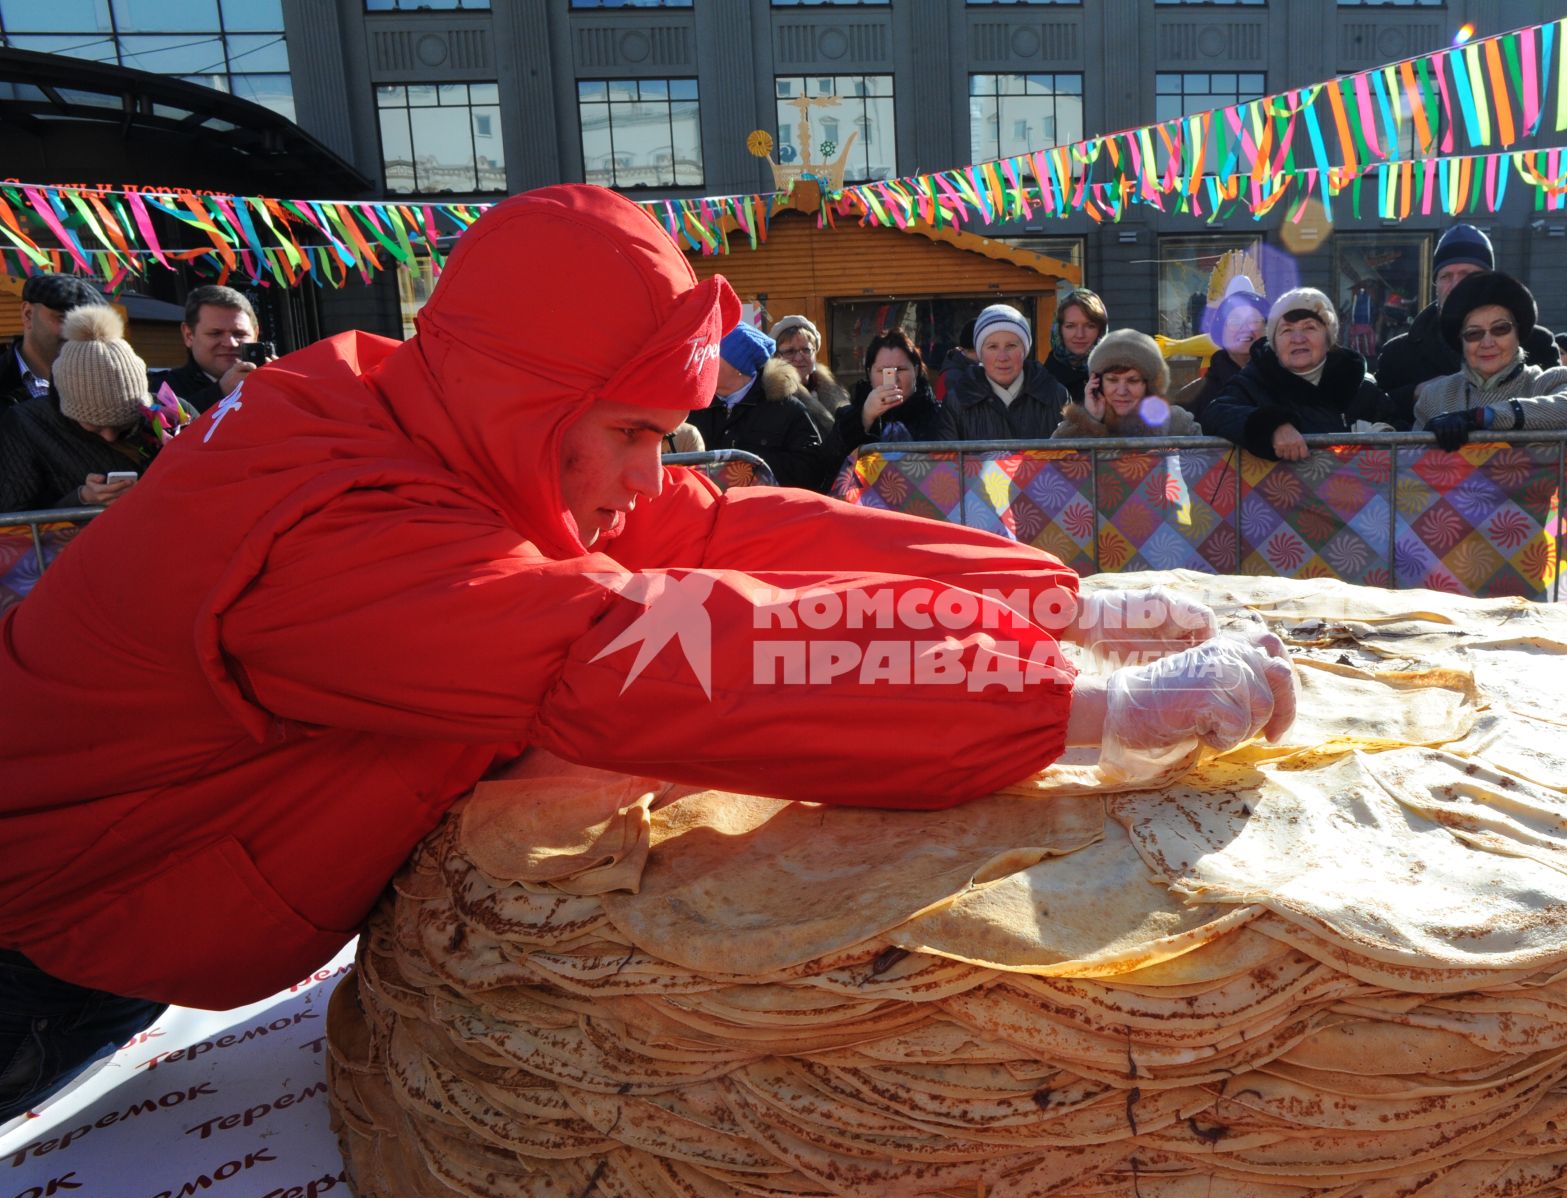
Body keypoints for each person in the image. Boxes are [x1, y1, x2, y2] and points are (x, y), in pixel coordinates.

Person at [0, 184, 1294, 1121]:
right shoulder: (340, 537)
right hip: (42, 964)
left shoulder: (442, 415)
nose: (651, 470)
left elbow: (731, 526)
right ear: (538, 406)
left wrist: (1056, 600)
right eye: (631, 431)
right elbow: (668, 657)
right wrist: (1075, 710)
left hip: (152, 915)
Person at [1200, 289, 1404, 461]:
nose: (1298, 338)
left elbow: (1404, 434)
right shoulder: (1254, 382)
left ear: (1329, 337)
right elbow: (1217, 413)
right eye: (1286, 330)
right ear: (1274, 343)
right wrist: (1271, 426)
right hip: (1274, 502)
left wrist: (1382, 435)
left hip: (1356, 503)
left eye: (1309, 327)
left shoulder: (1360, 386)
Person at [1375, 224, 1558, 416]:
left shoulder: (1535, 342)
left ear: (1488, 279)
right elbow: (1376, 414)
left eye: (1467, 274)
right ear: (1436, 284)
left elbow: (1561, 409)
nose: (1456, 285)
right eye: (1446, 276)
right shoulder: (1398, 353)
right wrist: (1415, 393)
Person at [0, 305, 156, 512]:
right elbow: (15, 515)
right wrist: (81, 499)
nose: (109, 436)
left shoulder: (172, 414)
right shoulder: (27, 423)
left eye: (123, 425)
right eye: (95, 425)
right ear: (67, 407)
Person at [1413, 272, 1567, 449]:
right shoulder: (1434, 397)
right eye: (1474, 333)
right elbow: (1409, 462)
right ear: (1461, 341)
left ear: (1518, 333)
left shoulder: (1547, 382)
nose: (1487, 343)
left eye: (1500, 329)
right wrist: (1428, 441)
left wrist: (1481, 417)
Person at [687, 322, 836, 490]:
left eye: (712, 353)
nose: (702, 362)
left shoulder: (786, 409)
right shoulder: (694, 408)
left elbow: (810, 469)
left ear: (739, 365)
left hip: (768, 510)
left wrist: (749, 466)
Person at [940, 304, 1069, 440]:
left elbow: (1073, 457)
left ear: (1025, 351)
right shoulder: (957, 402)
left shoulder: (1056, 395)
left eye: (1011, 346)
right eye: (992, 347)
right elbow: (945, 460)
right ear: (980, 353)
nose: (1002, 357)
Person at [1052, 329, 1200, 439]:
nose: (1122, 391)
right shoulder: (1076, 429)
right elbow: (1050, 471)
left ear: (1150, 385)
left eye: (1133, 380)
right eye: (1112, 380)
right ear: (1097, 384)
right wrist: (1089, 421)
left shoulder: (1178, 424)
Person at [831, 328, 946, 469]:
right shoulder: (847, 416)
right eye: (883, 371)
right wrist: (864, 418)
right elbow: (829, 463)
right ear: (869, 373)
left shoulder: (941, 415)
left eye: (901, 370)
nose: (893, 379)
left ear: (915, 371)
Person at [148, 284, 265, 415]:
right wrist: (219, 392)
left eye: (239, 334)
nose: (230, 343)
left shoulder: (275, 381)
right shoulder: (161, 389)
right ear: (188, 335)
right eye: (215, 333)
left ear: (255, 334)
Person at [0, 273, 106, 408]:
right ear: (28, 314)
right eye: (64, 319)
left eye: (87, 323)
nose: (77, 332)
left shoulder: (110, 382)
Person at [1173, 277, 1267, 416]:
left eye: (1253, 320)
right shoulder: (1192, 396)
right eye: (1235, 320)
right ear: (1221, 331)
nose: (1245, 328)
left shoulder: (1283, 383)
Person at [770, 314, 849, 412]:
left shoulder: (834, 391)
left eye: (806, 350)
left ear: (815, 352)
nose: (799, 358)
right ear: (777, 357)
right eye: (789, 351)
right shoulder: (773, 401)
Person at [1042, 288, 1108, 402]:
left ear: (1100, 330)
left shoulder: (1115, 378)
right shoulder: (1041, 382)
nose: (1080, 335)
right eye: (1070, 326)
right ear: (1058, 330)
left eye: (1090, 326)